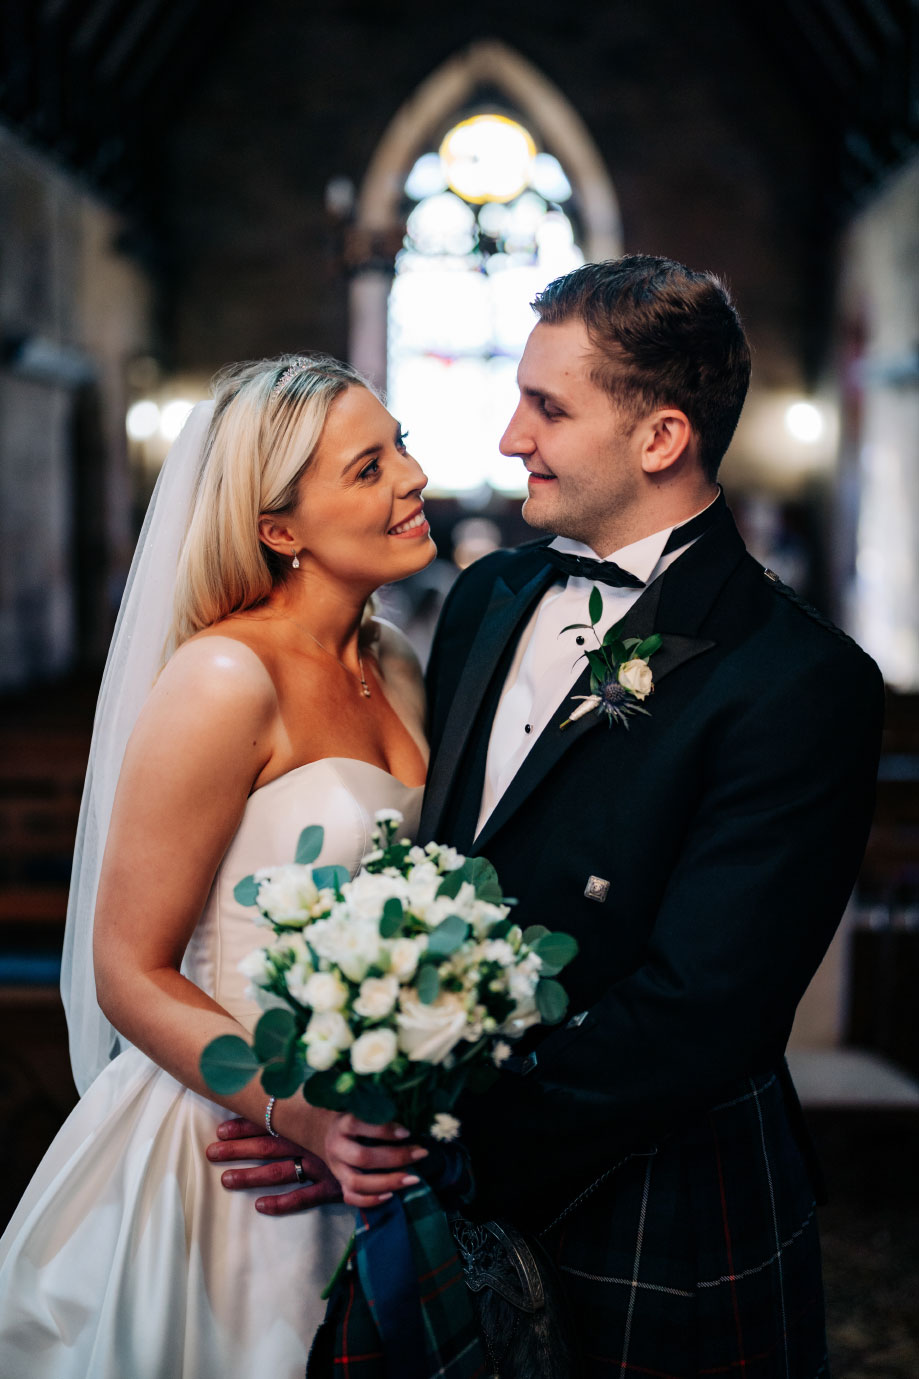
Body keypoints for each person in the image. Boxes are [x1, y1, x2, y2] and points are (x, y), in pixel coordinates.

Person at [214, 259, 884, 1378]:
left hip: (655, 1182)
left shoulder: (799, 676)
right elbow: (442, 860)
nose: (509, 435)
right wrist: (355, 1107)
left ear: (660, 436)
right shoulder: (490, 596)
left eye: (549, 407)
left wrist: (422, 1143)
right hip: (443, 1165)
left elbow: (701, 1012)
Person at [0, 355, 435, 1379]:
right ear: (279, 526)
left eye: (400, 444)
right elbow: (129, 969)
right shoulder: (223, 677)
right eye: (366, 468)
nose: (411, 478)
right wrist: (292, 1108)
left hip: (373, 1141)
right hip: (230, 1145)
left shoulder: (400, 662)